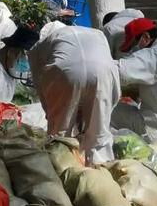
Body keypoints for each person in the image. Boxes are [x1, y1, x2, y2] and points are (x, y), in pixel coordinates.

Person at [28, 21, 120, 163]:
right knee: (99, 133)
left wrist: (51, 113)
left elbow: (40, 84)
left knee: (60, 134)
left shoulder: (39, 46)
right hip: (102, 72)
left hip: (64, 72)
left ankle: (61, 165)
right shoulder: (97, 34)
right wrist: (104, 111)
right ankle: (101, 167)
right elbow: (111, 80)